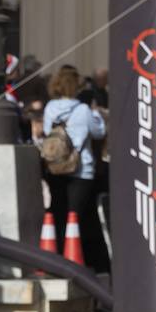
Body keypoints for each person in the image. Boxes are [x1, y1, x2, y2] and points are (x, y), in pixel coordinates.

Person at [43, 66, 109, 272]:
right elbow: (99, 132)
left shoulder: (50, 107)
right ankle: (78, 261)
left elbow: (47, 133)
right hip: (81, 170)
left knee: (59, 212)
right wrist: (96, 114)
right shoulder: (82, 109)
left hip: (54, 169)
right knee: (78, 216)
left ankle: (58, 259)